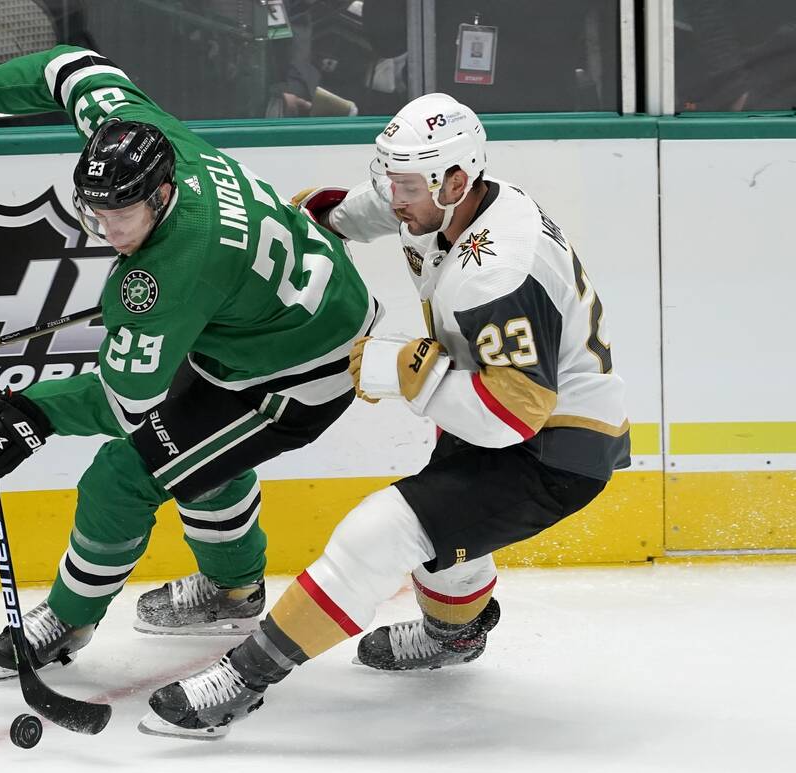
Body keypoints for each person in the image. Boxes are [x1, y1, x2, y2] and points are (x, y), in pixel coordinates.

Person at [139, 92, 630, 739]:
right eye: (390, 177)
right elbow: (374, 211)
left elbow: (512, 417)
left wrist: (405, 371)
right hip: (511, 414)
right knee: (444, 536)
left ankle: (242, 681)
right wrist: (312, 223)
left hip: (554, 448)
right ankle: (456, 636)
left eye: (407, 183)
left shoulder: (498, 271)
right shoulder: (446, 205)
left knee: (377, 536)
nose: (395, 197)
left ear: (457, 180)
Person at [0, 47, 380, 680]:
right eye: (95, 212)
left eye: (122, 214)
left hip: (298, 376)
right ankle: (234, 591)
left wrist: (32, 413)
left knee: (125, 473)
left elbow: (130, 409)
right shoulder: (145, 141)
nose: (108, 227)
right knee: (198, 451)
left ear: (163, 192)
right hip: (279, 316)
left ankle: (70, 616)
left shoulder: (166, 277)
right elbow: (72, 69)